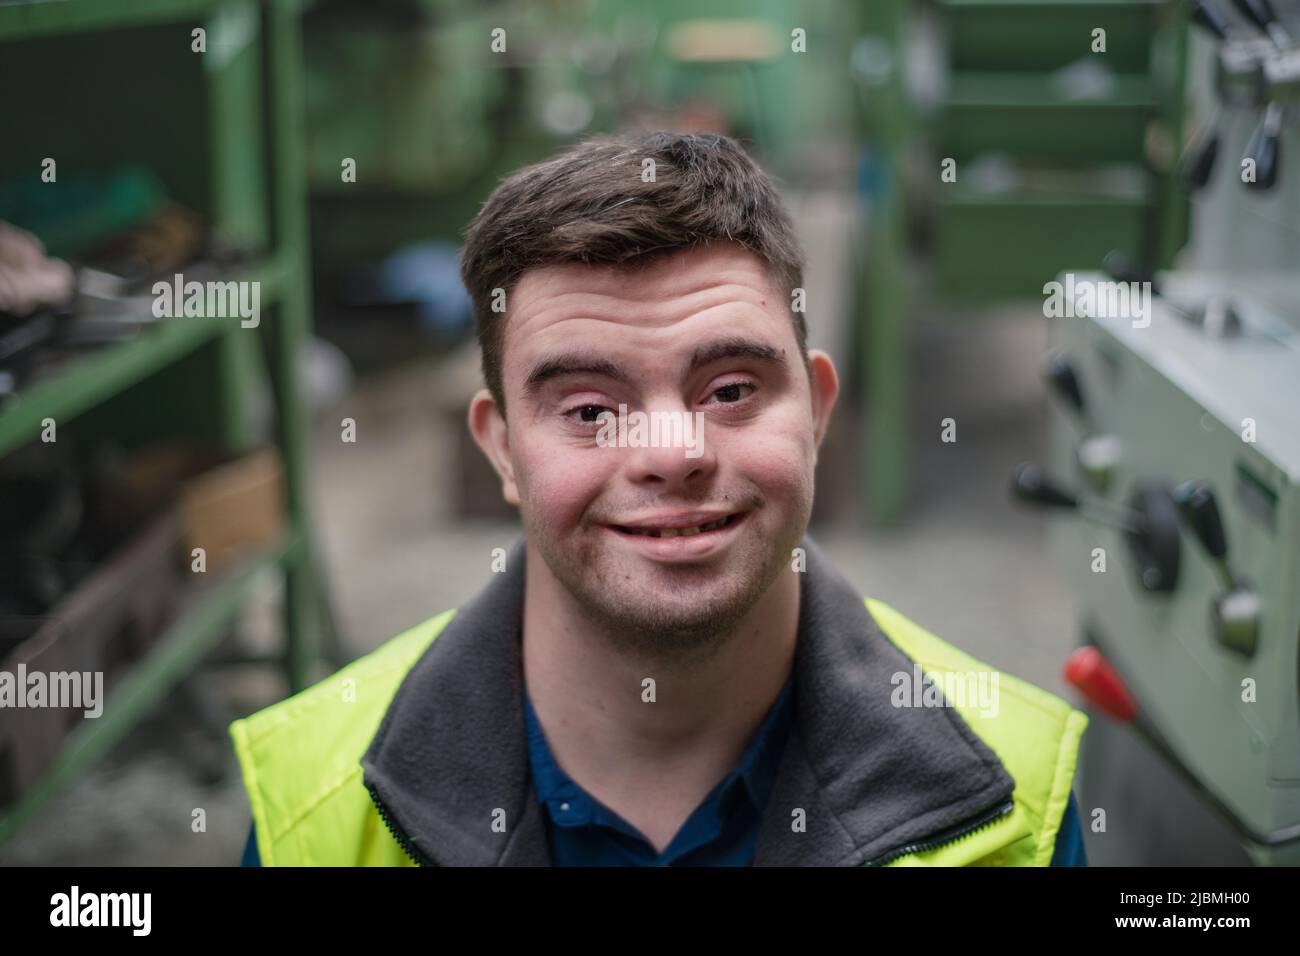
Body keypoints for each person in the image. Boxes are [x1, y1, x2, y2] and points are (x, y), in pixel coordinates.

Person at [231, 131, 1088, 867]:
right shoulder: (318, 802)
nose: (672, 454)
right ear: (501, 448)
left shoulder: (1013, 798)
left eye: (729, 390)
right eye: (591, 410)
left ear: (818, 412)